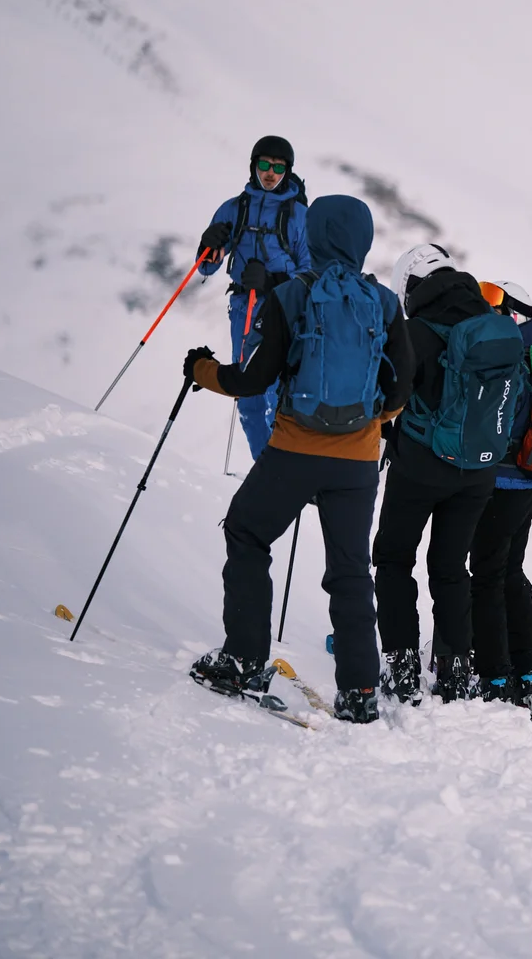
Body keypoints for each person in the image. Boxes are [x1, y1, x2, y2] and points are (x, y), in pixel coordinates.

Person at [182, 194, 410, 724]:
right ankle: (359, 693)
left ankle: (243, 660)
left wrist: (202, 371)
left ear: (315, 235)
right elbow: (401, 389)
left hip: (292, 451)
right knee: (351, 572)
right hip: (357, 463)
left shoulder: (292, 294)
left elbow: (253, 380)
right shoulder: (384, 302)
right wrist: (369, 426)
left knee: (246, 531)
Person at [373, 244, 519, 705]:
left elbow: (390, 395)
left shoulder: (416, 330)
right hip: (479, 472)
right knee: (452, 570)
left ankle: (401, 666)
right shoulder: (492, 326)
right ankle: (457, 671)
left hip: (419, 467)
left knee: (395, 559)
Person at [195, 136, 310, 462]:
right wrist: (207, 244)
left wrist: (273, 282)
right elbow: (207, 265)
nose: (270, 173)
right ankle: (264, 468)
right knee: (247, 394)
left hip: (282, 312)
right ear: (253, 165)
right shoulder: (234, 209)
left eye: (278, 167)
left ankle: (282, 468)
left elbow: (310, 274)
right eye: (264, 165)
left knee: (276, 390)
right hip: (243, 309)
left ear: (287, 171)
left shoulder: (299, 216)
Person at [468, 280, 532, 711]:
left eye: (498, 304)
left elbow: (497, 426)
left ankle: (495, 675)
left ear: (513, 314)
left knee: (486, 577)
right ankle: (525, 670)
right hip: (528, 486)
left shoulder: (511, 355)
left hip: (500, 484)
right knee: (509, 573)